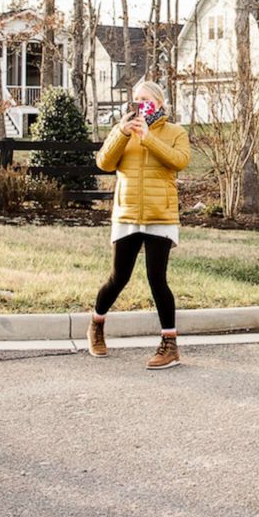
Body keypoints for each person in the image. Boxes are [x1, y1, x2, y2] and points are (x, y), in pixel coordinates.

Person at [89, 81, 190, 369]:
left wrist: (148, 137)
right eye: (135, 100)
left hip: (161, 213)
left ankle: (169, 344)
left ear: (159, 103)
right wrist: (122, 133)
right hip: (127, 213)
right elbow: (104, 163)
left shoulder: (175, 132)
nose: (139, 105)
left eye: (146, 100)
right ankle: (96, 325)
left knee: (157, 278)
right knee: (118, 277)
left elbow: (179, 160)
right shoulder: (123, 129)